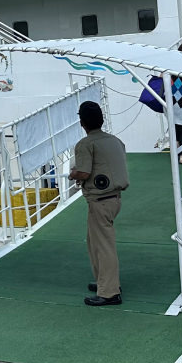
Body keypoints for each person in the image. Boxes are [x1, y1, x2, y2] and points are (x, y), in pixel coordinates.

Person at [69, 102, 129, 307]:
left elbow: (84, 173)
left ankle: (110, 292)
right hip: (114, 198)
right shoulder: (115, 141)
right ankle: (105, 283)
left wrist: (73, 174)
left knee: (103, 247)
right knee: (94, 242)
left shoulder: (85, 144)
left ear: (82, 122)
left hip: (100, 201)